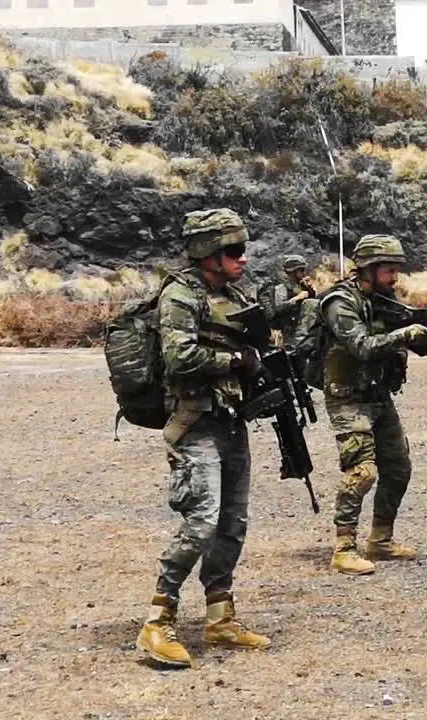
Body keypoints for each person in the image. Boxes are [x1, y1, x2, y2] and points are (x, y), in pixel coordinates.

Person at [136, 208, 271, 668]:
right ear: (208, 254)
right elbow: (180, 358)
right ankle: (158, 620)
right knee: (202, 523)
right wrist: (236, 359)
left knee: (233, 524)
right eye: (234, 251)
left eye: (243, 250)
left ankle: (220, 616)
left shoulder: (231, 294)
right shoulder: (179, 296)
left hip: (230, 423)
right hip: (195, 426)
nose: (243, 260)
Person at [317, 234, 427, 575]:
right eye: (388, 270)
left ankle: (380, 540)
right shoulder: (340, 302)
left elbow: (397, 339)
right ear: (367, 269)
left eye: (396, 270)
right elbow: (362, 346)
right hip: (347, 396)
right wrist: (406, 334)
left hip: (378, 395)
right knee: (362, 471)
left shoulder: (383, 301)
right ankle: (343, 547)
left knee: (399, 468)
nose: (395, 278)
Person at [260, 254, 313, 348]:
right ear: (293, 272)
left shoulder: (300, 286)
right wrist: (296, 299)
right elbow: (278, 309)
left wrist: (311, 291)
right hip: (287, 333)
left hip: (302, 330)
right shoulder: (282, 288)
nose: (304, 273)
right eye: (301, 270)